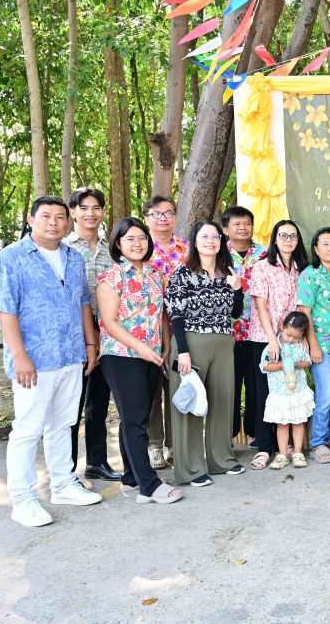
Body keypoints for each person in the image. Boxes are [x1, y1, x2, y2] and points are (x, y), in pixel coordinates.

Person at [0, 196, 103, 527]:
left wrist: (90, 344)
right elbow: (4, 308)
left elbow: (83, 303)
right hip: (34, 360)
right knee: (28, 429)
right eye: (46, 216)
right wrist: (19, 355)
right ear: (31, 219)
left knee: (62, 424)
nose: (53, 222)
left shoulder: (73, 257)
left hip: (70, 355)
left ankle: (63, 484)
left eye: (60, 217)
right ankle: (22, 499)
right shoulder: (12, 257)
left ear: (68, 221)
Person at [96, 217, 181, 504]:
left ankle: (132, 477)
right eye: (130, 238)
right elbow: (110, 322)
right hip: (122, 356)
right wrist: (141, 348)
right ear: (118, 243)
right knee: (135, 421)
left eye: (142, 238)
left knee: (137, 418)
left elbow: (162, 314)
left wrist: (165, 344)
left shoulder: (156, 275)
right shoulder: (111, 277)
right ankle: (149, 485)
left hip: (152, 355)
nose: (137, 243)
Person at [166, 221, 246, 486]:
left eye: (215, 236)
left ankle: (222, 459)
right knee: (190, 402)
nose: (210, 240)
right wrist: (183, 351)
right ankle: (191, 468)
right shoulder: (182, 273)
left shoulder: (227, 273)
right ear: (194, 241)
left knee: (223, 400)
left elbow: (235, 313)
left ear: (221, 241)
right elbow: (175, 315)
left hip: (223, 341)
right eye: (204, 236)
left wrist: (237, 289)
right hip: (191, 341)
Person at [65, 187, 117, 481]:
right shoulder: (63, 247)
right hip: (74, 334)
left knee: (98, 402)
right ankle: (66, 469)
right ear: (73, 212)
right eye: (84, 208)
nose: (90, 213)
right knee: (71, 405)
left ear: (103, 212)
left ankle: (97, 462)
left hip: (107, 331)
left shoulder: (112, 249)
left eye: (96, 208)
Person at [248, 220, 306, 470]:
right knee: (265, 394)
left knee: (287, 391)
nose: (288, 240)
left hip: (291, 339)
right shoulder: (262, 267)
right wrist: (273, 339)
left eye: (293, 236)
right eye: (283, 235)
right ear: (275, 239)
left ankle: (285, 446)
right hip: (265, 338)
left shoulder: (299, 269)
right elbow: (261, 306)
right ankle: (264, 447)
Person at [143, 195, 189, 470]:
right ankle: (154, 445)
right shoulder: (139, 247)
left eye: (168, 213)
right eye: (156, 214)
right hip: (147, 330)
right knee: (151, 391)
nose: (163, 218)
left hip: (182, 330)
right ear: (147, 218)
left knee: (177, 386)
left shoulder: (187, 249)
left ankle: (176, 443)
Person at [298, 227, 330, 464]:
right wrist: (313, 346)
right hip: (321, 343)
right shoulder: (309, 275)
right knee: (326, 393)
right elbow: (305, 312)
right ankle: (317, 442)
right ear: (316, 248)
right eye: (325, 244)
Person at [222, 206, 266, 443]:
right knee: (229, 386)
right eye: (236, 224)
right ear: (225, 229)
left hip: (257, 332)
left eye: (247, 223)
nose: (242, 228)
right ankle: (226, 437)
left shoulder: (265, 254)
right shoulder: (218, 254)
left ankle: (255, 433)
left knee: (256, 385)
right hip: (227, 333)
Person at [261, 312, 315, 470]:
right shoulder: (273, 346)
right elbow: (264, 366)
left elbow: (308, 362)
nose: (291, 339)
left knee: (298, 422)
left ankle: (298, 453)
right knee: (282, 424)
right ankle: (283, 454)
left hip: (297, 393)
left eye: (296, 337)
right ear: (282, 327)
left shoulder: (300, 346)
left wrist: (295, 364)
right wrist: (280, 365)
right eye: (288, 335)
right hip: (280, 394)